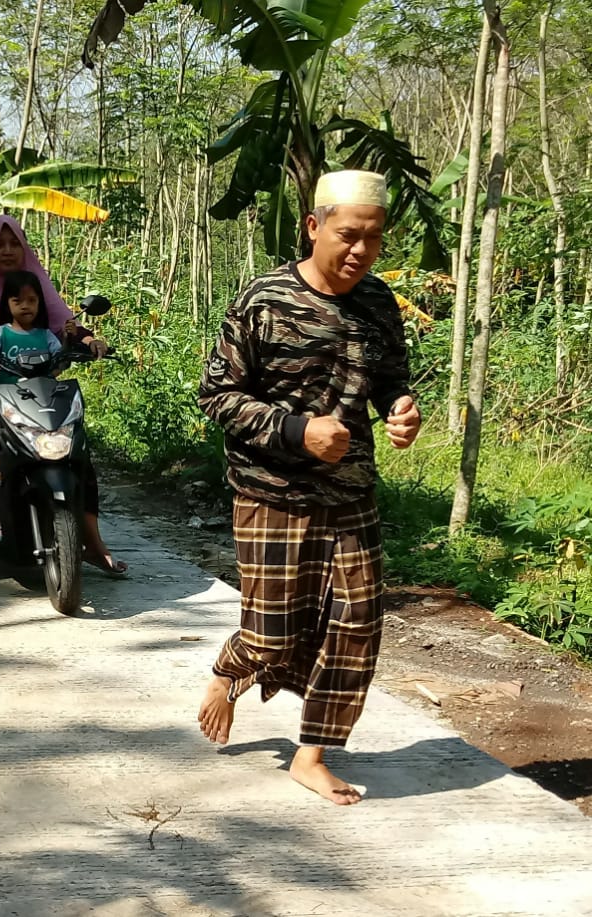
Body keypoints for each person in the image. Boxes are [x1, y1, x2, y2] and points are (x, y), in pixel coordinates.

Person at [194, 170, 423, 805]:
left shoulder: (378, 303)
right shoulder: (262, 300)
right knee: (271, 632)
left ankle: (312, 755)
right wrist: (297, 431)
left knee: (357, 623)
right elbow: (216, 395)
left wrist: (402, 408)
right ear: (314, 226)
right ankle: (227, 673)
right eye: (348, 236)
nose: (360, 251)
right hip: (270, 491)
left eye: (374, 241)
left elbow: (390, 378)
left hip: (350, 492)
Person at [0, 214, 126, 579]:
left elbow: (63, 322)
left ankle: (94, 545)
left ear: (24, 246)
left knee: (77, 454)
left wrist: (87, 339)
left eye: (14, 243)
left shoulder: (36, 283)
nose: (7, 250)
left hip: (38, 389)